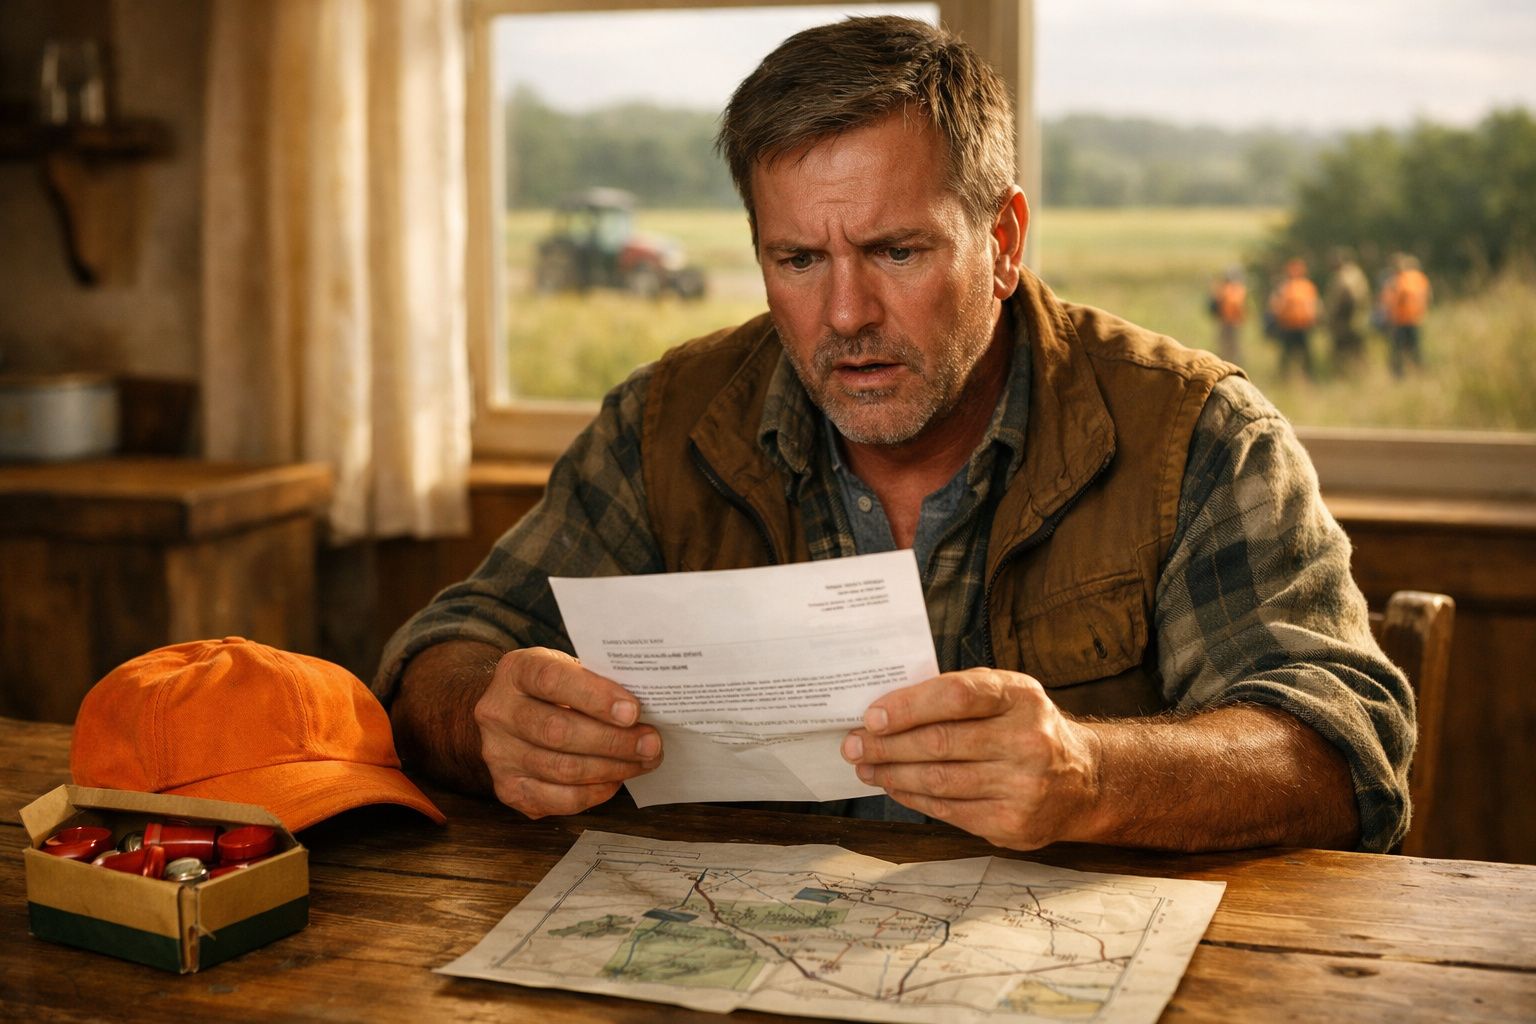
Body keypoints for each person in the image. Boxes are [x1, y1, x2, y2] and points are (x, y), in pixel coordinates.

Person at [373, 17, 1412, 855]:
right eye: (796, 260)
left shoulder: (1196, 434)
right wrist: (492, 717)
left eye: (896, 250)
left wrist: (1091, 775)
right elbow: (436, 657)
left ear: (1001, 243)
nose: (844, 315)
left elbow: (1339, 750)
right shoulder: (666, 422)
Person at [1380, 253, 1431, 376]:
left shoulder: (1398, 280)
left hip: (1400, 320)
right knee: (1415, 350)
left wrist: (1387, 317)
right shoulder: (1420, 278)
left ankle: (1399, 375)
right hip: (1415, 319)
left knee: (1398, 351)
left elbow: (1391, 301)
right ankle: (1419, 372)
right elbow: (1428, 297)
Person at [1267, 258, 1318, 379]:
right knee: (1289, 356)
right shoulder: (1300, 286)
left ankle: (1305, 376)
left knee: (1301, 355)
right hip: (1292, 327)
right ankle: (1286, 377)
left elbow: (1275, 307)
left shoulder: (1299, 286)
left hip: (1299, 327)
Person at [1324, 248, 1370, 372]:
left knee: (1342, 349)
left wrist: (1332, 317)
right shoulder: (1356, 273)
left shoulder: (1344, 276)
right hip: (1358, 318)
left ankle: (1342, 373)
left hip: (1346, 320)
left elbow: (1344, 298)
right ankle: (1360, 371)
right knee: (1357, 349)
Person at [1207, 266, 1246, 364]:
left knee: (1226, 344)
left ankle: (1226, 361)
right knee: (1230, 344)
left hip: (1227, 321)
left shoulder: (1224, 288)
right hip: (1232, 321)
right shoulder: (1239, 289)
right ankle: (1229, 362)